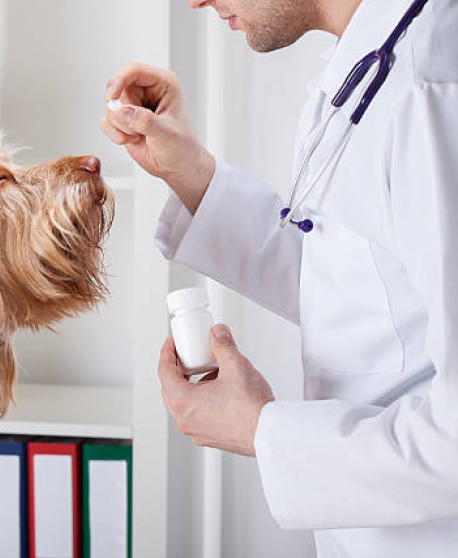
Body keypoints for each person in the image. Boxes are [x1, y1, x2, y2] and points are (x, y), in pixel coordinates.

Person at [101, 0, 458, 556]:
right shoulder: (369, 66)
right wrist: (190, 171)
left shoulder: (432, 91)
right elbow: (365, 289)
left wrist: (259, 431)